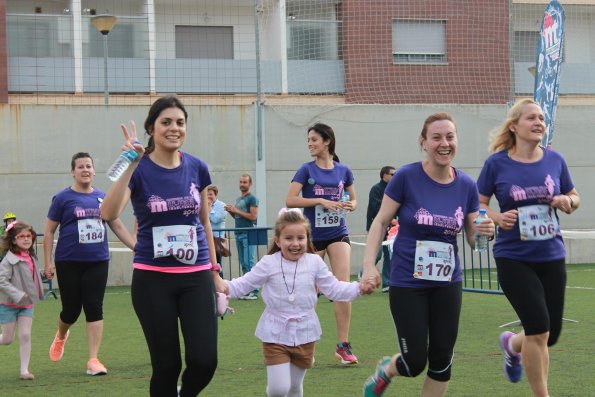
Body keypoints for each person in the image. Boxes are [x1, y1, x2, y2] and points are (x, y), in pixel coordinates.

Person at [361, 113, 495, 397]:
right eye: (436, 137)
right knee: (414, 361)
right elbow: (380, 222)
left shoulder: (467, 186)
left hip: (447, 283)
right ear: (423, 142)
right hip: (408, 284)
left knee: (442, 360)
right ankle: (387, 369)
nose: (444, 143)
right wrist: (369, 265)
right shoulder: (406, 178)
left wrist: (486, 231)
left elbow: (473, 239)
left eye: (450, 136)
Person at [100, 96, 226, 396]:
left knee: (205, 361)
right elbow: (108, 213)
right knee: (166, 366)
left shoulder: (197, 167)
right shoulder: (138, 167)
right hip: (153, 279)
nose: (174, 128)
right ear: (151, 128)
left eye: (180, 123)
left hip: (195, 277)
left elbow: (204, 223)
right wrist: (130, 163)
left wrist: (214, 272)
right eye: (166, 122)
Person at [476, 99, 580, 397]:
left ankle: (511, 344)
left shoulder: (555, 160)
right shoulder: (497, 163)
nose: (539, 123)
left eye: (542, 118)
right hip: (514, 257)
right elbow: (479, 204)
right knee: (538, 329)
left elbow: (574, 197)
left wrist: (567, 202)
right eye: (532, 118)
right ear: (514, 126)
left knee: (550, 334)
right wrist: (496, 217)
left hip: (551, 255)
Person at [223, 210, 368, 397]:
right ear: (278, 241)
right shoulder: (268, 263)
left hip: (306, 333)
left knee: (294, 388)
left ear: (307, 240)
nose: (295, 243)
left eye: (300, 238)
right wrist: (220, 285)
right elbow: (242, 285)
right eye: (288, 238)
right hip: (275, 332)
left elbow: (334, 289)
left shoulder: (315, 262)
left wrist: (359, 288)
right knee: (278, 389)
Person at [43, 152, 135, 376]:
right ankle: (62, 335)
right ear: (72, 171)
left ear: (94, 171)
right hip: (68, 261)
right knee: (71, 311)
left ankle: (93, 359)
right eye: (80, 166)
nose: (85, 170)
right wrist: (48, 263)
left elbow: (118, 226)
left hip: (97, 261)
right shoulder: (63, 198)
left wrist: (136, 247)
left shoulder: (104, 197)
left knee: (94, 306)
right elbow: (48, 231)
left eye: (88, 166)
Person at [285, 122, 359, 365]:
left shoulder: (343, 170)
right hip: (313, 236)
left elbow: (354, 198)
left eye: (314, 139)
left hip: (338, 232)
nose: (310, 144)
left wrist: (351, 205)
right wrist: (320, 201)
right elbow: (290, 199)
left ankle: (343, 346)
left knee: (342, 287)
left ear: (327, 141)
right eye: (308, 140)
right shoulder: (306, 170)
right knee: (310, 292)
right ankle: (307, 346)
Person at [0, 221, 44, 380]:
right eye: (22, 236)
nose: (26, 239)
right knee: (7, 339)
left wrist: (43, 275)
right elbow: (1, 281)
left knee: (25, 335)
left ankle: (24, 371)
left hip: (26, 304)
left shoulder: (31, 257)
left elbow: (30, 275)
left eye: (29, 236)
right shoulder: (7, 261)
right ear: (13, 240)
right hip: (8, 305)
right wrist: (17, 294)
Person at [224, 174, 259, 300]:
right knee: (244, 263)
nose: (242, 184)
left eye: (244, 182)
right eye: (240, 182)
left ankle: (254, 291)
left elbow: (253, 217)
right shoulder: (238, 199)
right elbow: (238, 217)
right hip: (239, 233)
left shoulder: (253, 198)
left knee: (249, 262)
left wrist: (236, 210)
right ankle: (247, 290)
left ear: (250, 184)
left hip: (249, 233)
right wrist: (231, 211)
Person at [366, 166, 396, 292]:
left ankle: (387, 283)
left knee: (389, 255)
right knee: (376, 255)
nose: (394, 176)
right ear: (384, 175)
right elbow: (377, 207)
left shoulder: (395, 189)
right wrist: (391, 219)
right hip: (377, 227)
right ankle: (364, 274)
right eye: (392, 174)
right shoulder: (376, 189)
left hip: (391, 229)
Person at [207, 185, 228, 269]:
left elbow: (215, 219)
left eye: (210, 194)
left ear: (215, 195)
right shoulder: (204, 205)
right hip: (207, 238)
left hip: (217, 239)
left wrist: (209, 208)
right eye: (207, 194)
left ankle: (220, 281)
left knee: (217, 264)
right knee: (208, 265)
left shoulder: (222, 205)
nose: (208, 196)